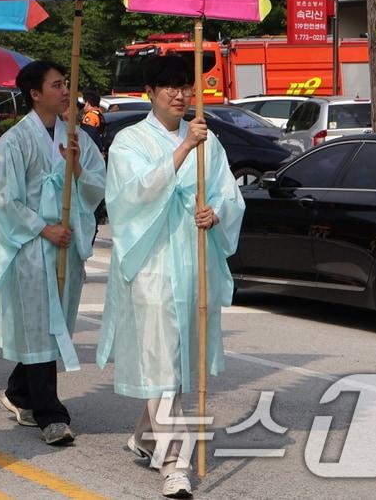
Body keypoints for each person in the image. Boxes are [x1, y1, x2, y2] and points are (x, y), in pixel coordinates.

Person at [98, 56, 245, 500]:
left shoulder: (208, 140)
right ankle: (176, 463)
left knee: (182, 357)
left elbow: (227, 192)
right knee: (161, 356)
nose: (180, 95)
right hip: (151, 263)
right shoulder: (130, 141)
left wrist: (214, 212)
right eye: (170, 88)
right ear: (151, 92)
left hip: (191, 257)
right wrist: (182, 151)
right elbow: (130, 198)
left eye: (186, 87)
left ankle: (146, 435)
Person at [0, 60, 106, 448]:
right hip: (32, 247)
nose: (66, 91)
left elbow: (95, 186)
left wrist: (76, 166)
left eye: (66, 83)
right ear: (35, 94)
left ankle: (19, 390)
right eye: (57, 85)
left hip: (65, 245)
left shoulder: (75, 135)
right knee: (40, 325)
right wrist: (42, 227)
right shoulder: (14, 141)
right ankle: (51, 414)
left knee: (50, 325)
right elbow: (3, 198)